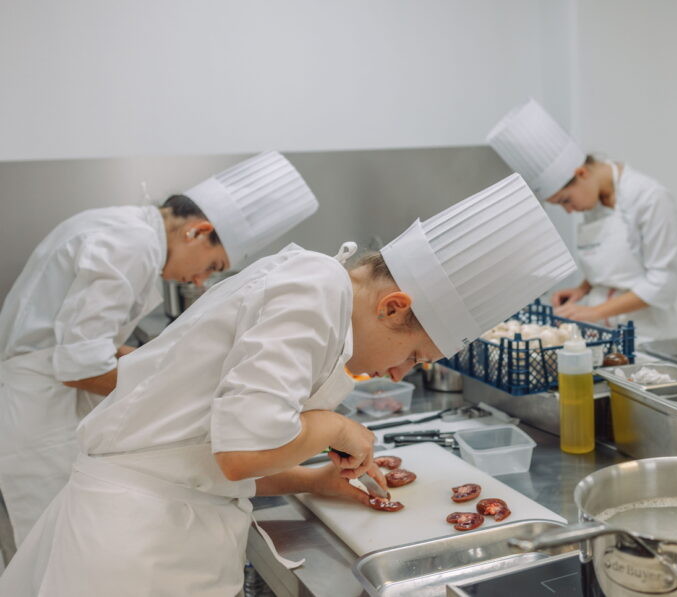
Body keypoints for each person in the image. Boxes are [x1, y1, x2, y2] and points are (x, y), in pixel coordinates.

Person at [0, 172, 575, 596]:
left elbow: (198, 448)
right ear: (394, 307)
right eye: (414, 355)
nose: (400, 373)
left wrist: (314, 479)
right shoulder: (314, 290)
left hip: (155, 527)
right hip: (138, 551)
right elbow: (239, 454)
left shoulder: (316, 293)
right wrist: (332, 426)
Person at [0, 151, 318, 549]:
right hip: (39, 416)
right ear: (198, 232)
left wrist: (162, 363)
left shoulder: (125, 228)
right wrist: (178, 393)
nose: (200, 281)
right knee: (48, 554)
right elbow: (81, 366)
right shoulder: (132, 244)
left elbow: (85, 344)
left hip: (39, 401)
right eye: (213, 266)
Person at [487, 99, 677, 341]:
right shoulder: (595, 199)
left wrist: (595, 312)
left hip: (645, 336)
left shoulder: (650, 198)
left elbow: (663, 283)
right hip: (600, 333)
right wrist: (583, 289)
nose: (569, 211)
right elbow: (614, 266)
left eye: (566, 200)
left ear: (581, 173)